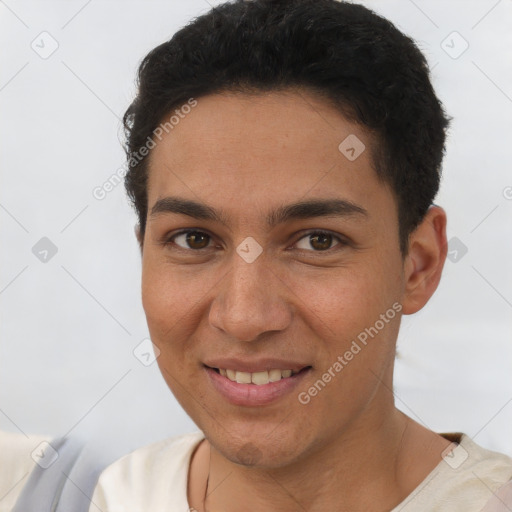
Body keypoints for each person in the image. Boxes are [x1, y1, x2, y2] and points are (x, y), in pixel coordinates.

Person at [89, 0, 512, 510]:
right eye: (194, 240)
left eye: (318, 241)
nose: (245, 318)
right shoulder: (127, 493)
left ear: (418, 264)